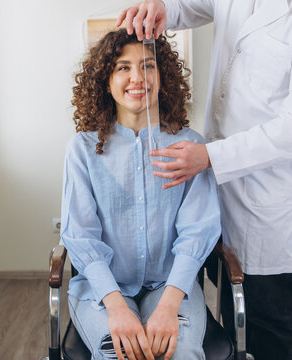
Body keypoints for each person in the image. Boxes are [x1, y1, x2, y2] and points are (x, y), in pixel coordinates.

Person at [117, 1, 292, 359]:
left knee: (265, 316)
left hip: (267, 191)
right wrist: (163, 7)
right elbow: (189, 5)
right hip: (218, 179)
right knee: (232, 308)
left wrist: (212, 156)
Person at [61, 29, 221, 360]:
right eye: (123, 67)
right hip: (101, 292)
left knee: (179, 352)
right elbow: (81, 235)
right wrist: (117, 307)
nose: (138, 77)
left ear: (163, 76)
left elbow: (198, 230)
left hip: (170, 286)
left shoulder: (190, 147)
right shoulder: (83, 149)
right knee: (117, 353)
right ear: (105, 80)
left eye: (148, 66)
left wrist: (169, 305)